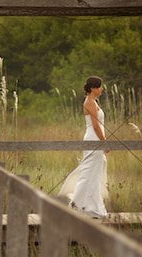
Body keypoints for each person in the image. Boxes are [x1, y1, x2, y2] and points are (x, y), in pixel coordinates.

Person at [57, 76, 108, 219]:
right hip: (93, 139)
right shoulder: (89, 102)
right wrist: (105, 143)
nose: (101, 89)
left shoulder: (93, 101)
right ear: (93, 88)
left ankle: (92, 207)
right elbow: (96, 126)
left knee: (94, 174)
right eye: (99, 87)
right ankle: (76, 205)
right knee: (87, 174)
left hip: (96, 139)